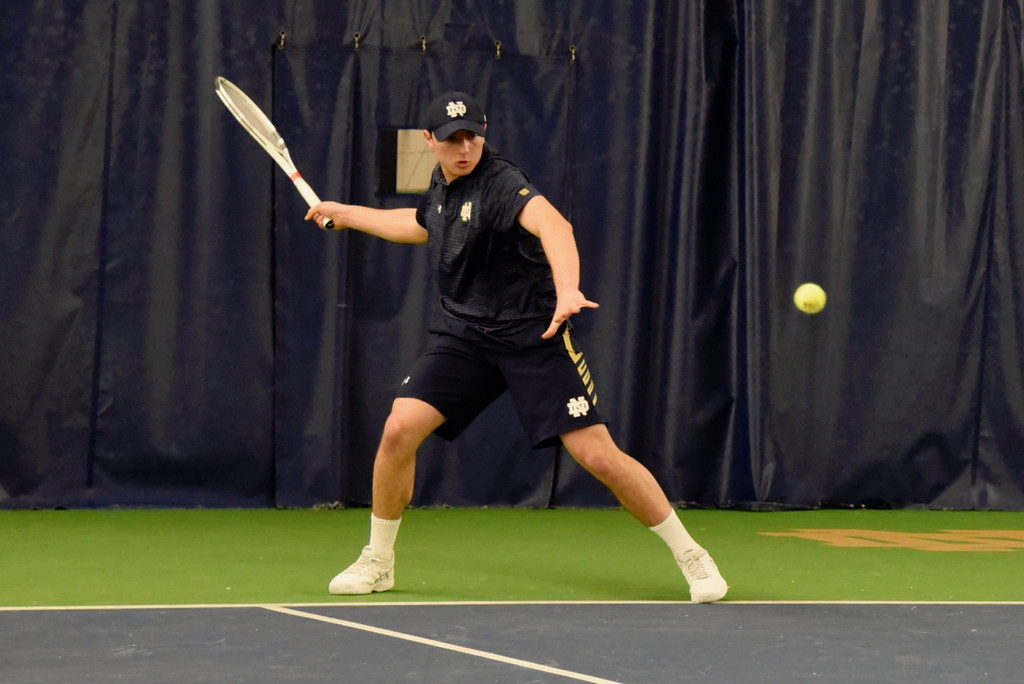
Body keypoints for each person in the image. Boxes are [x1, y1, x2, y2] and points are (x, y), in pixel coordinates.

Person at [305, 91, 728, 603]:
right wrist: (347, 213)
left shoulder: (503, 183)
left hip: (534, 335)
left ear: (484, 134)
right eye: (451, 139)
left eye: (472, 137)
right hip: (466, 335)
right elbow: (420, 224)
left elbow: (555, 227)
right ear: (429, 142)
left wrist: (568, 288)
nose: (464, 148)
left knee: (597, 455)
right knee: (398, 430)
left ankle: (692, 556)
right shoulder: (440, 184)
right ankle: (378, 560)